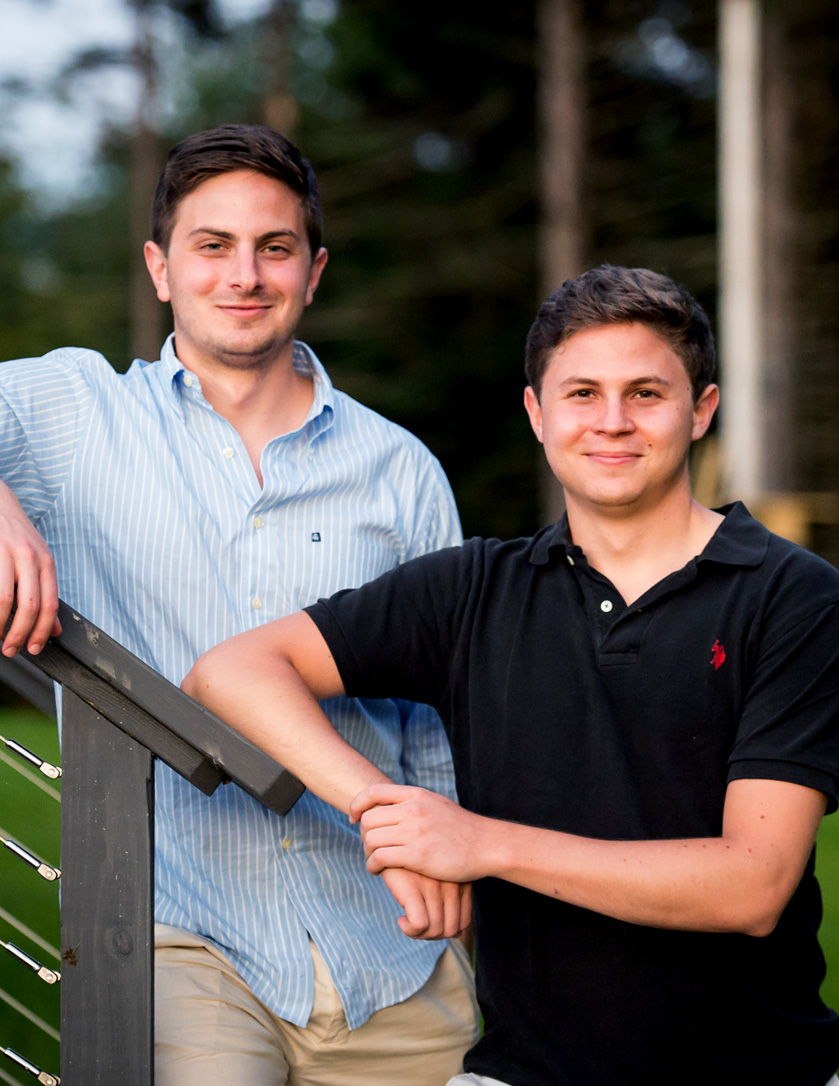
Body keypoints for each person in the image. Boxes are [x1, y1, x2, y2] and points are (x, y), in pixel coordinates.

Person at [183, 264, 839, 1086]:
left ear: (701, 409)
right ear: (535, 413)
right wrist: (390, 821)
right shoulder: (472, 589)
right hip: (522, 1072)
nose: (611, 422)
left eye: (645, 393)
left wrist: (480, 845)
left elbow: (752, 886)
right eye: (580, 394)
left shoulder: (793, 594)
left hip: (762, 1071)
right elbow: (231, 671)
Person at [0, 124, 479, 1084]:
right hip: (180, 930)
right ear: (160, 268)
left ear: (314, 270)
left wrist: (451, 864)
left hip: (388, 936)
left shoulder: (400, 470)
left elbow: (443, 714)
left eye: (275, 248)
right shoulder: (72, 412)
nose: (244, 275)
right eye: (211, 245)